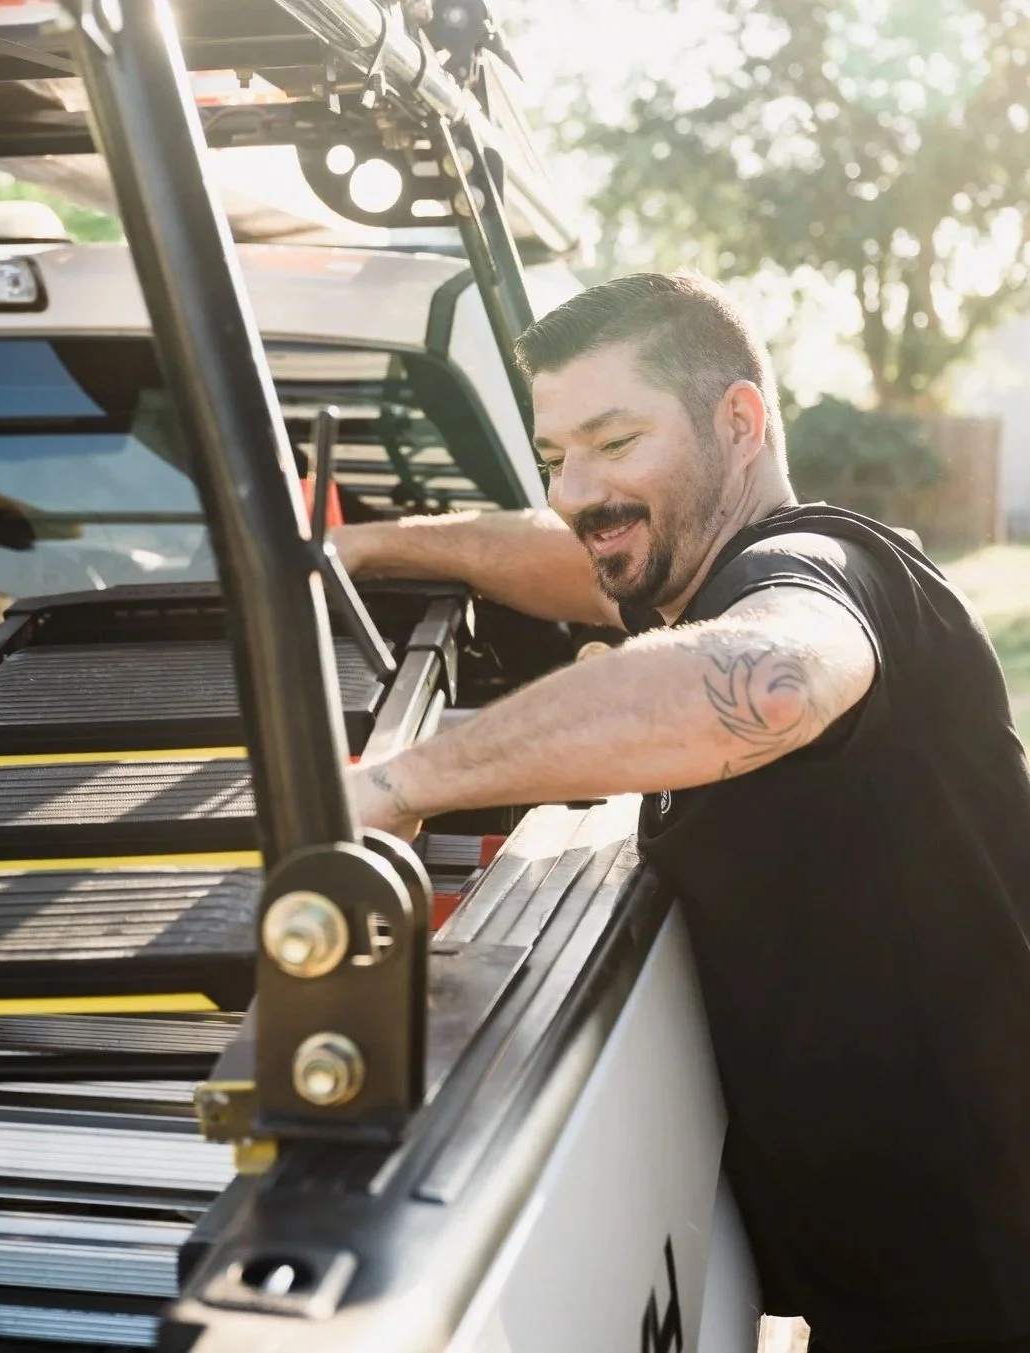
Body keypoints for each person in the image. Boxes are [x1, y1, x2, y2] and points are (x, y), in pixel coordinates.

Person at [340, 272, 1030, 1353]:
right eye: (556, 455)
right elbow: (563, 554)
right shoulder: (697, 566)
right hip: (894, 1267)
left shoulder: (820, 568)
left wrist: (394, 783)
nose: (578, 490)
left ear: (740, 424)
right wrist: (366, 550)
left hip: (984, 1275)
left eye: (615, 442)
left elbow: (774, 674)